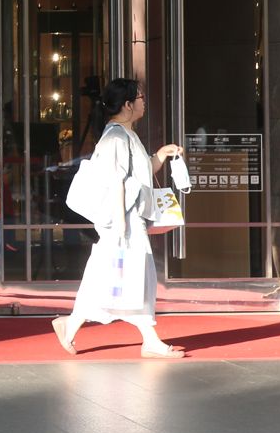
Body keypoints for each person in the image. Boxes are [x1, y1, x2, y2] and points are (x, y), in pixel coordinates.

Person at [51, 78, 186, 359]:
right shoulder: (116, 137)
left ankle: (73, 324)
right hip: (123, 218)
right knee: (133, 274)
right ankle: (148, 340)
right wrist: (122, 223)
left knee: (117, 274)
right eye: (140, 97)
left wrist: (161, 154)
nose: (143, 102)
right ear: (127, 105)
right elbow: (116, 179)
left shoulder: (125, 134)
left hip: (125, 217)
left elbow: (139, 172)